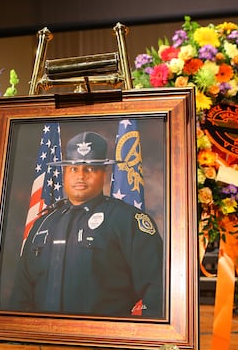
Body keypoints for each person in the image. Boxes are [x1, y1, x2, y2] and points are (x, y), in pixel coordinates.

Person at [10, 131, 164, 317]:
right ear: (64, 173)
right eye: (73, 169)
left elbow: (157, 292)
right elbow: (21, 294)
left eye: (90, 168)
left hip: (104, 340)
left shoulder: (127, 220)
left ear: (104, 174)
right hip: (44, 340)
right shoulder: (44, 223)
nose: (80, 176)